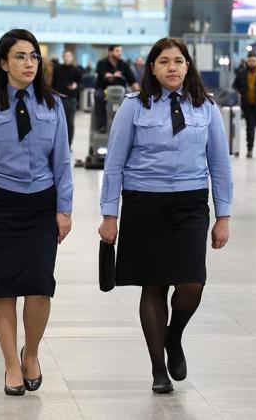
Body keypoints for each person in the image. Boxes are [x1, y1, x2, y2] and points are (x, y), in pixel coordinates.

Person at [98, 37, 232, 394]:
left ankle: (173, 336)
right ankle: (159, 369)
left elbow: (220, 164)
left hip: (190, 204)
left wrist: (223, 216)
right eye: (164, 62)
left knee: (192, 284)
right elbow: (114, 164)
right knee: (153, 284)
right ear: (152, 68)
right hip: (144, 204)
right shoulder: (133, 106)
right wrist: (109, 214)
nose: (172, 67)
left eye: (178, 61)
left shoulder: (206, 107)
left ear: (188, 66)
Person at [0, 29, 73, 396]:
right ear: (4, 64)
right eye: (21, 56)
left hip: (40, 204)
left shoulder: (53, 106)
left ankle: (31, 353)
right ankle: (10, 364)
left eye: (34, 56)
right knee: (3, 289)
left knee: (40, 286)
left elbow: (63, 161)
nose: (29, 63)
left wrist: (64, 208)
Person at [95, 45, 140, 132]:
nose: (120, 53)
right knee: (98, 96)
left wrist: (137, 88)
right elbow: (104, 75)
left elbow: (132, 79)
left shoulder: (123, 64)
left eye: (120, 51)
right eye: (117, 51)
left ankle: (128, 124)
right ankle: (102, 125)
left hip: (121, 90)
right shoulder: (101, 63)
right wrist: (113, 75)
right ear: (110, 52)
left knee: (131, 98)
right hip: (104, 89)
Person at [51, 50, 83, 148]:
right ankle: (56, 145)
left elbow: (81, 84)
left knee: (69, 123)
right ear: (63, 57)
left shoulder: (76, 70)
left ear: (72, 58)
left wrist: (76, 85)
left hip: (70, 99)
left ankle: (68, 145)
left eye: (69, 56)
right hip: (57, 99)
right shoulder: (57, 69)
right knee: (56, 122)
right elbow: (52, 83)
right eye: (65, 56)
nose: (67, 58)